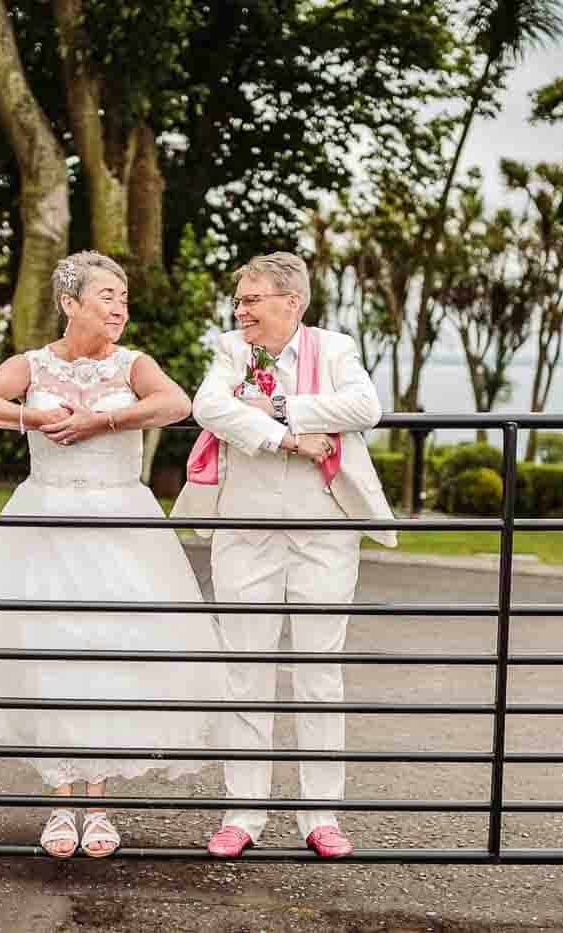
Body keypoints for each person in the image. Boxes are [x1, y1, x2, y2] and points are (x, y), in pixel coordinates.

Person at [0, 250, 224, 859]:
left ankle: (99, 804)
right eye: (106, 297)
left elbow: (177, 404)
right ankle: (60, 802)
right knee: (53, 652)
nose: (119, 308)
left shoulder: (133, 364)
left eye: (123, 298)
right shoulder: (33, 363)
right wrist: (32, 417)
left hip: (121, 525)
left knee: (110, 652)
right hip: (45, 523)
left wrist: (105, 421)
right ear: (70, 304)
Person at [172, 251, 397, 859]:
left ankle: (320, 814)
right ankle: (242, 813)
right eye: (239, 300)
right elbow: (209, 408)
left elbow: (364, 408)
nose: (240, 310)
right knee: (245, 668)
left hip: (324, 531)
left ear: (290, 303)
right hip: (244, 530)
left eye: (252, 299)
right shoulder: (229, 350)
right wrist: (288, 436)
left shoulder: (336, 347)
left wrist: (275, 406)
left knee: (319, 672)